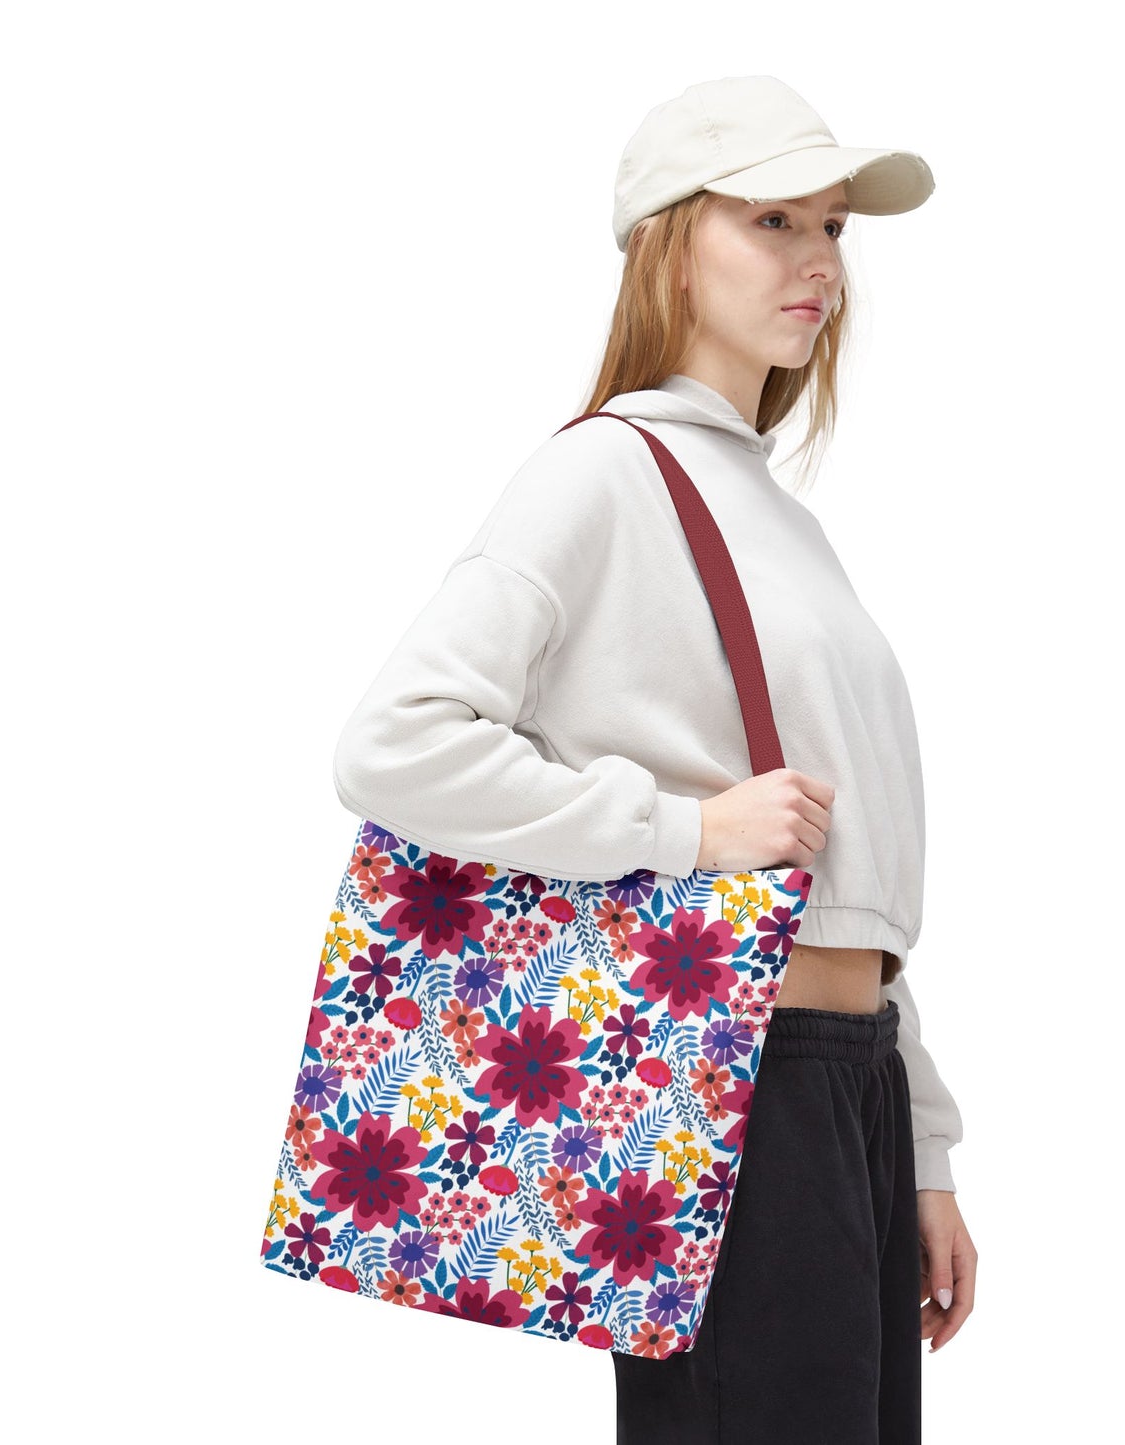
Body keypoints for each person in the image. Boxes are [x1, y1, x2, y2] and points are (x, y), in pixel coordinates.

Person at [331, 74, 976, 1444]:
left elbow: (842, 873)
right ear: (668, 244)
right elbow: (393, 745)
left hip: (837, 1077)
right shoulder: (600, 475)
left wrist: (917, 1146)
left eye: (834, 228)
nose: (817, 259)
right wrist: (682, 829)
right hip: (729, 1076)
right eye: (773, 219)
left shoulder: (779, 516)